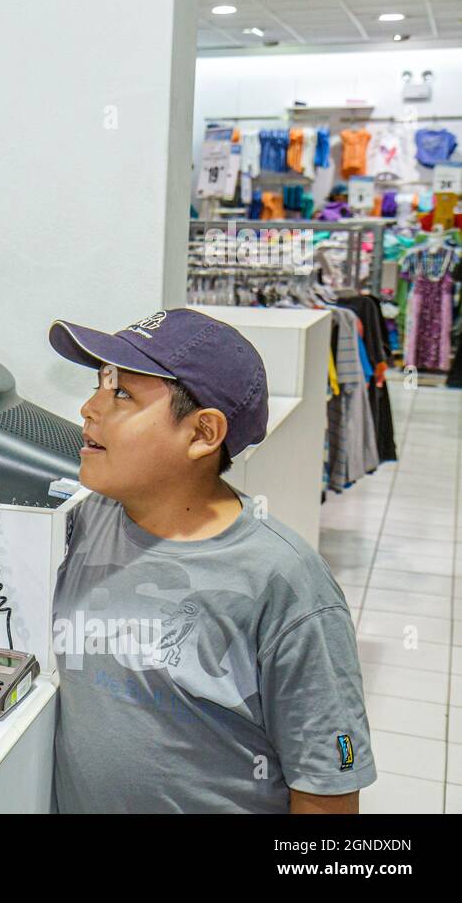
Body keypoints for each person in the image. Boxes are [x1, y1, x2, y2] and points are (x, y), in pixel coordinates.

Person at [47, 308, 375, 813]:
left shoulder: (285, 581)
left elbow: (326, 791)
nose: (88, 408)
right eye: (99, 386)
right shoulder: (86, 523)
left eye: (121, 394)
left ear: (202, 433)